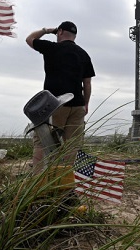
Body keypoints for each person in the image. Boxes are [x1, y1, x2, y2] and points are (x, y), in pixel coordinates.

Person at [26, 21, 95, 171]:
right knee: (72, 146)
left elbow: (29, 39)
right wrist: (86, 104)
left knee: (43, 143)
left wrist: (46, 30)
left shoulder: (52, 48)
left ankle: (39, 183)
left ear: (60, 32)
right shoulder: (83, 54)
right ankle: (66, 183)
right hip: (77, 105)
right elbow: (87, 84)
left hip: (55, 104)